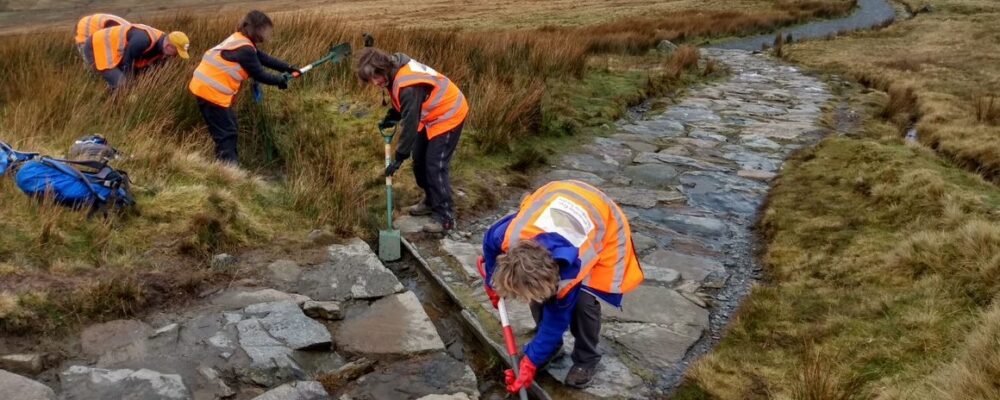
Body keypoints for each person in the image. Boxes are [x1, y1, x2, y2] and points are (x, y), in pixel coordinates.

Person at [480, 180, 645, 392]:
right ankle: (550, 350)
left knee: (583, 302)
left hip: (604, 222)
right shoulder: (508, 235)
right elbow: (489, 244)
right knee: (539, 296)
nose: (528, 301)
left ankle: (587, 359)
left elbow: (555, 322)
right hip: (557, 193)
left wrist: (530, 362)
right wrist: (492, 283)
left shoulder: (572, 271)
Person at [356, 47, 469, 233]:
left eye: (376, 78)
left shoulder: (407, 85)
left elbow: (410, 123)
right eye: (371, 81)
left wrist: (399, 157)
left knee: (435, 165)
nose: (375, 83)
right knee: (419, 161)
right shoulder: (394, 69)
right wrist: (392, 115)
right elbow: (405, 105)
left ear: (382, 68)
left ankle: (445, 217)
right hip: (430, 116)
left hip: (449, 113)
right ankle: (431, 199)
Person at [188, 10, 299, 165]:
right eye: (264, 30)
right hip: (211, 94)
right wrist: (280, 80)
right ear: (255, 29)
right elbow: (260, 74)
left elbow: (264, 59)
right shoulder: (244, 49)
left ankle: (224, 166)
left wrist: (288, 68)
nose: (266, 35)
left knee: (228, 128)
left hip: (206, 91)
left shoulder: (241, 41)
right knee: (227, 133)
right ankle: (230, 172)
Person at [83, 23, 189, 88]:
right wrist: (132, 89)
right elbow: (126, 64)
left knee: (129, 83)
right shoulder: (143, 40)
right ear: (168, 47)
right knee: (122, 85)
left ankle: (112, 100)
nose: (175, 56)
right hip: (98, 47)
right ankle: (112, 113)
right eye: (176, 53)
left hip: (117, 53)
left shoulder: (162, 44)